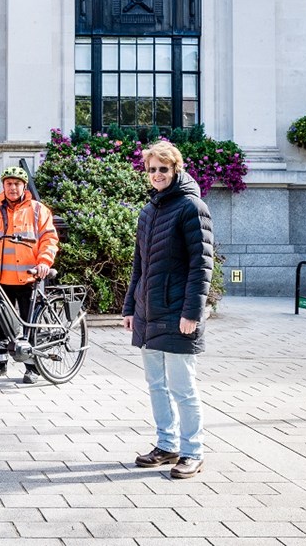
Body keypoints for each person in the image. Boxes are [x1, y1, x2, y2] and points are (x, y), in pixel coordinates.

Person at [122, 140, 213, 480]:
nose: (157, 175)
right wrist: (131, 306)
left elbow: (201, 267)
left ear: (176, 169)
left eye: (164, 169)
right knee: (156, 384)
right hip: (149, 312)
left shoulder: (192, 207)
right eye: (152, 170)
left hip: (178, 313)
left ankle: (192, 452)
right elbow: (139, 267)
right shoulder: (149, 211)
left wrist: (192, 313)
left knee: (183, 387)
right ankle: (166, 445)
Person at [0, 166, 59, 384]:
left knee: (29, 324)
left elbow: (49, 239)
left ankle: (32, 368)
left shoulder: (37, 210)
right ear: (3, 186)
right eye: (9, 183)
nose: (13, 187)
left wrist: (44, 262)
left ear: (24, 186)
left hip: (28, 277)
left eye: (17, 184)